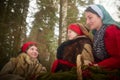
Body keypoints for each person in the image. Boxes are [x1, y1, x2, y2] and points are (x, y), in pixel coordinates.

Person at [84, 4, 120, 79]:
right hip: (105, 72)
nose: (87, 22)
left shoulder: (111, 30)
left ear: (100, 16)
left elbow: (118, 59)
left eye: (90, 18)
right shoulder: (96, 34)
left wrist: (97, 66)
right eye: (86, 18)